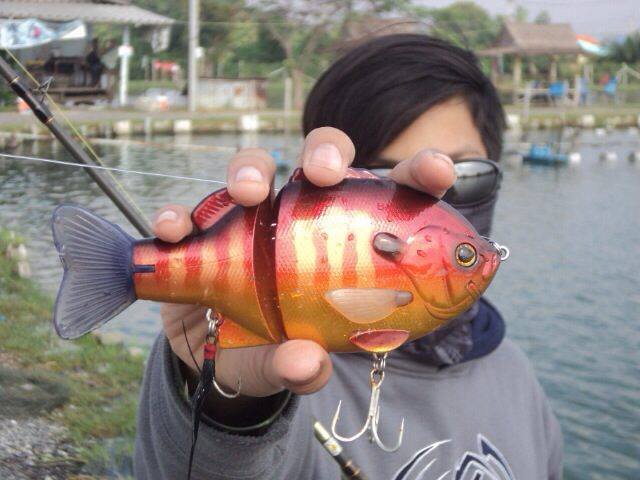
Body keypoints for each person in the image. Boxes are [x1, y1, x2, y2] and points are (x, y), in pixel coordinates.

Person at [134, 34, 562, 479]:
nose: (438, 193)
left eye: (468, 174)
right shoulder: (278, 361)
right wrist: (230, 401)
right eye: (382, 182)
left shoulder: (517, 377)